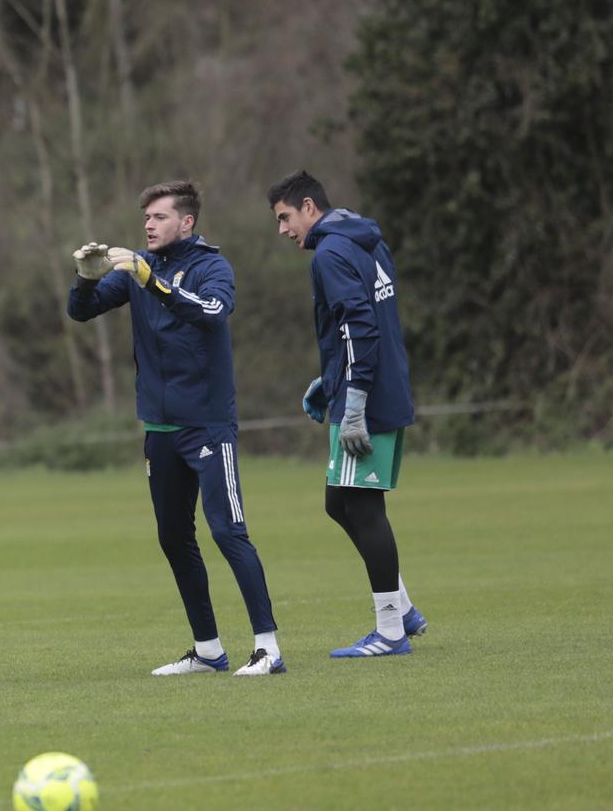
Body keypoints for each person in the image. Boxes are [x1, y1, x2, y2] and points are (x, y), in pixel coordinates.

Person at [67, 180, 284, 677]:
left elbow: (213, 312)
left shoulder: (212, 267)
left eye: (159, 216)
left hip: (207, 426)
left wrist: (152, 281)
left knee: (228, 533)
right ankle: (208, 651)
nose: (148, 224)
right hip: (159, 429)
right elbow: (80, 312)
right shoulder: (137, 269)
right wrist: (84, 278)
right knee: (173, 538)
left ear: (186, 222)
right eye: (145, 217)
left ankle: (268, 648)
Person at [267, 170, 428, 657]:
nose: (282, 229)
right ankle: (402, 609)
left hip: (370, 399)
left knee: (361, 506)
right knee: (339, 503)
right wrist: (332, 381)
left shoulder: (331, 254)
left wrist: (353, 401)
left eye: (284, 217)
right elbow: (368, 322)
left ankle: (392, 633)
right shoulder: (365, 241)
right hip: (376, 387)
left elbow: (361, 326)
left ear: (309, 208)